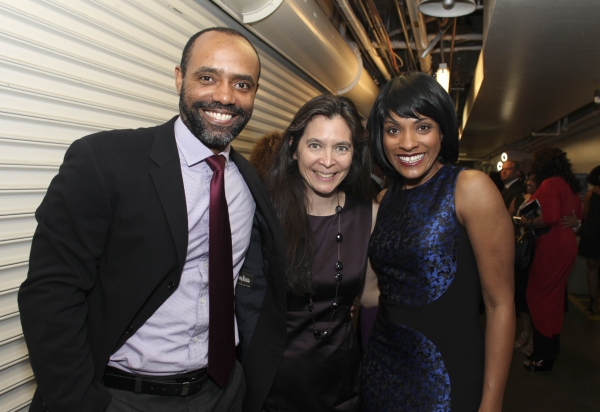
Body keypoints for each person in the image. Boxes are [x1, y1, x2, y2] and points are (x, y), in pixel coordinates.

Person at [18, 27, 287, 412]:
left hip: (223, 393)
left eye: (242, 84)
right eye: (207, 77)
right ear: (179, 78)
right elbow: (50, 293)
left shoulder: (248, 182)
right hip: (122, 396)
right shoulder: (104, 160)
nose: (225, 96)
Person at [362, 72, 515, 411]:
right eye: (392, 129)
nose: (407, 142)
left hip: (447, 374)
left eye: (422, 127)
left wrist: (492, 403)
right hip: (382, 366)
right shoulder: (384, 199)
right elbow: (377, 290)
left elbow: (499, 305)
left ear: (443, 131)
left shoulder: (469, 188)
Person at [263, 94, 376, 411]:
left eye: (341, 147)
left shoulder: (370, 215)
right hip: (272, 383)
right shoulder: (264, 213)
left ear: (355, 154)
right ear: (293, 148)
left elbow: (371, 298)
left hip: (341, 382)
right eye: (315, 145)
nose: (328, 161)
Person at [519, 147, 582, 371]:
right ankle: (551, 347)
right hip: (567, 245)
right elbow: (577, 218)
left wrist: (527, 223)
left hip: (551, 247)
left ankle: (543, 356)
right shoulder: (570, 185)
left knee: (538, 299)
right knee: (554, 300)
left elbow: (550, 217)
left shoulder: (550, 184)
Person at [510, 172, 539, 356]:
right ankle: (525, 332)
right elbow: (508, 215)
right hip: (522, 249)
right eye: (528, 179)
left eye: (534, 180)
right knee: (521, 295)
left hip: (538, 249)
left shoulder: (543, 199)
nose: (530, 183)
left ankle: (537, 337)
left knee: (536, 296)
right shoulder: (519, 198)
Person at [575, 165, 600, 314]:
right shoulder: (590, 194)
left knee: (592, 268)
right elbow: (584, 215)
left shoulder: (591, 194)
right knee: (593, 267)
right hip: (592, 234)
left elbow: (585, 215)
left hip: (591, 233)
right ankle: (593, 300)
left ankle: (594, 301)